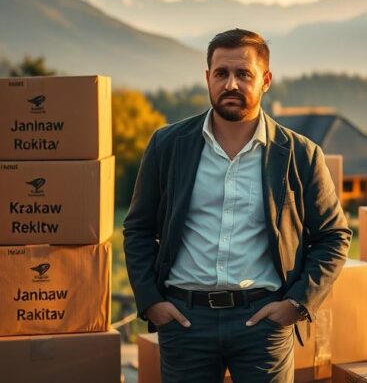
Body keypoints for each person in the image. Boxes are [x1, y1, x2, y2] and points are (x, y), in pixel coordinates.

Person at [123, 28, 351, 383]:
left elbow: (334, 236)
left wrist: (296, 305)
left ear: (266, 81)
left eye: (244, 74)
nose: (231, 84)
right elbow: (137, 229)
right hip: (184, 322)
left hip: (263, 323)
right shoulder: (167, 145)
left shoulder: (300, 154)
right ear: (208, 78)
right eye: (221, 73)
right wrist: (151, 301)